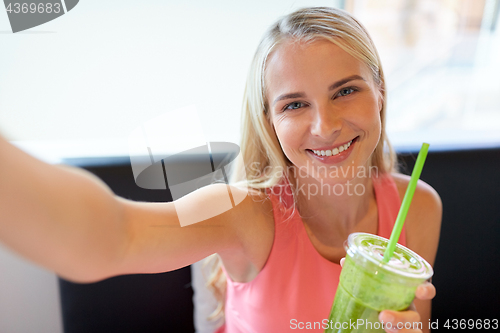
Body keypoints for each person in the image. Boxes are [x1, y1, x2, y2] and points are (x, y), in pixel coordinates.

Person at [0, 6, 441, 333]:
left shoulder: (417, 206)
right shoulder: (243, 213)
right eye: (294, 104)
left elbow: (412, 324)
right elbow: (117, 235)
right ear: (270, 121)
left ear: (380, 92)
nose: (324, 126)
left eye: (345, 91)